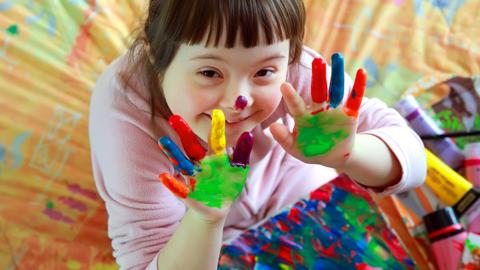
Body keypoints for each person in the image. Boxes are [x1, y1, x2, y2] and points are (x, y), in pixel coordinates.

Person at [88, 1, 427, 269]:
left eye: (264, 71)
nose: (239, 100)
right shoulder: (125, 116)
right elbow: (145, 259)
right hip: (192, 234)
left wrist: (349, 153)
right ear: (155, 55)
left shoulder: (298, 75)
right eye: (209, 72)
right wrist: (205, 218)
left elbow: (414, 162)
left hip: (292, 184)